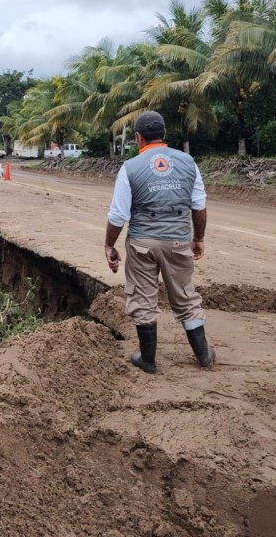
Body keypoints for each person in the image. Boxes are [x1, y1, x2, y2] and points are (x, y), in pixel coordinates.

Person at [104, 110, 215, 374]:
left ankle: (148, 360)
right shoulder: (188, 162)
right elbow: (198, 206)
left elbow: (118, 214)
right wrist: (198, 239)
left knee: (143, 298)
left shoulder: (130, 167)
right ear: (164, 135)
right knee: (186, 296)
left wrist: (109, 245)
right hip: (178, 241)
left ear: (138, 137)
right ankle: (203, 356)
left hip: (142, 243)